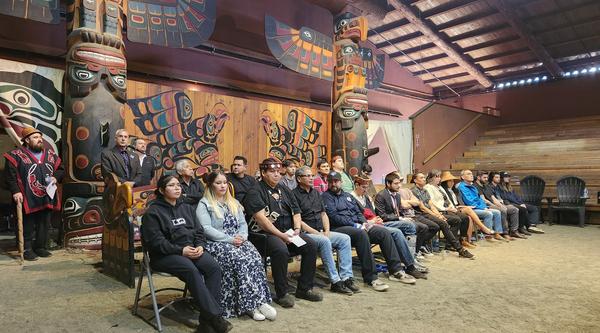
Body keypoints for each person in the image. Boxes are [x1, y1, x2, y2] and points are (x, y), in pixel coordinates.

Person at [141, 175, 232, 333]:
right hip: (164, 256)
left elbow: (199, 232)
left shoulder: (186, 207)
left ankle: (205, 323)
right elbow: (156, 243)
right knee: (190, 269)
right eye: (171, 185)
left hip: (191, 250)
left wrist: (200, 246)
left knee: (213, 267)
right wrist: (180, 250)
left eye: (178, 185)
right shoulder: (153, 213)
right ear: (162, 190)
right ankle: (215, 316)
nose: (177, 188)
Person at [196, 170, 276, 321]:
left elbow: (242, 223)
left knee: (255, 257)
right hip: (217, 243)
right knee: (238, 260)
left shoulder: (233, 202)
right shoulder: (204, 204)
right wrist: (230, 240)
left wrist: (243, 237)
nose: (222, 186)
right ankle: (248, 305)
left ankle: (260, 300)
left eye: (225, 183)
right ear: (211, 185)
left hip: (238, 240)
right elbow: (206, 229)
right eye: (218, 183)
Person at [242, 158, 321, 308]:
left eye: (278, 172)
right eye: (272, 172)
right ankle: (282, 293)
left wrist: (297, 230)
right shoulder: (255, 191)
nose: (276, 175)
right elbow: (261, 221)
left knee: (310, 245)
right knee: (280, 249)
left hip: (288, 232)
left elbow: (296, 212)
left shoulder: (284, 189)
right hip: (264, 235)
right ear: (263, 173)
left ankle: (304, 289)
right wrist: (281, 235)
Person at [322, 171, 418, 286]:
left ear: (341, 182)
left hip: (358, 226)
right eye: (331, 182)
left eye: (336, 181)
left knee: (383, 232)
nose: (333, 184)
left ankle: (396, 270)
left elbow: (358, 212)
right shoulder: (325, 197)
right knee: (361, 234)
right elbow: (333, 217)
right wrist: (356, 225)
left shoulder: (347, 196)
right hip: (339, 228)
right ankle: (371, 277)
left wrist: (364, 223)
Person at [292, 166, 359, 295]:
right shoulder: (293, 195)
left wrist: (327, 231)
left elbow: (323, 214)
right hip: (305, 234)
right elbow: (298, 220)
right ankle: (335, 281)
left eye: (312, 175)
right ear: (299, 178)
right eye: (308, 176)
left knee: (345, 239)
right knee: (324, 241)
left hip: (321, 231)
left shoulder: (316, 193)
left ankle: (346, 278)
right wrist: (318, 234)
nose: (312, 178)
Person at [3, 127, 64, 261]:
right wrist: (15, 191)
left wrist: (55, 177)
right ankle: (27, 249)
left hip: (46, 195)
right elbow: (10, 176)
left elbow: (61, 169)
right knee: (27, 223)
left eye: (40, 137)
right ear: (27, 140)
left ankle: (40, 247)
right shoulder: (15, 155)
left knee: (44, 223)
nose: (39, 139)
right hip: (26, 196)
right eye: (35, 137)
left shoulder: (50, 154)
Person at [352, 175, 428, 277]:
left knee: (412, 227)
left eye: (367, 187)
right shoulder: (352, 197)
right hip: (368, 225)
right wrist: (373, 220)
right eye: (363, 187)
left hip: (377, 222)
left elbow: (374, 213)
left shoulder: (366, 197)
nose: (366, 190)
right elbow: (357, 216)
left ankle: (410, 261)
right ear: (356, 185)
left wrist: (376, 219)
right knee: (398, 231)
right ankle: (409, 265)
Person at [411, 173, 474, 259]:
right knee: (441, 224)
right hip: (421, 214)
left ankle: (423, 244)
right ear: (415, 180)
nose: (424, 179)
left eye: (424, 178)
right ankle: (460, 249)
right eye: (421, 178)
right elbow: (423, 208)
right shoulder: (413, 191)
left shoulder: (424, 190)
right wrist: (437, 216)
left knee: (450, 221)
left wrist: (438, 214)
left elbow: (431, 205)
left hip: (430, 213)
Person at [439, 171, 494, 245]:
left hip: (457, 208)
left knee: (469, 217)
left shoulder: (453, 191)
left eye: (452, 181)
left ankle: (467, 240)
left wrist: (483, 207)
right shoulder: (444, 191)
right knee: (469, 210)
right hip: (450, 210)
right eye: (450, 181)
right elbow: (448, 204)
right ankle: (483, 228)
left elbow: (477, 199)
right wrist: (463, 206)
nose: (452, 183)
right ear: (445, 182)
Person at [424, 170, 473, 248]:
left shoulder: (440, 187)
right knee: (456, 219)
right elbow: (433, 202)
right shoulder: (428, 187)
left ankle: (462, 239)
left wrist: (452, 208)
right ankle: (451, 243)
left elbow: (447, 199)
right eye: (436, 177)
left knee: (465, 217)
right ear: (430, 178)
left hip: (448, 208)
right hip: (440, 210)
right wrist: (446, 208)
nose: (439, 178)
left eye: (439, 177)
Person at [457, 170, 504, 242]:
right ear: (463, 177)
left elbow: (480, 199)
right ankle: (488, 235)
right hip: (472, 209)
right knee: (488, 214)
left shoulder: (472, 187)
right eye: (469, 174)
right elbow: (469, 202)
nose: (471, 175)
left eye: (471, 174)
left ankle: (497, 233)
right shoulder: (462, 187)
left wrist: (484, 207)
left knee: (497, 212)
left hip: (479, 207)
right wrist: (482, 208)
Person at [485, 171, 526, 239]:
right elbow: (493, 199)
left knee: (514, 209)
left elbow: (501, 198)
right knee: (504, 209)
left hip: (501, 203)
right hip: (491, 204)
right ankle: (505, 232)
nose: (499, 179)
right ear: (492, 178)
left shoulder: (497, 187)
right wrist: (502, 205)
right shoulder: (489, 186)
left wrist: (503, 204)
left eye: (499, 177)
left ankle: (514, 231)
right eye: (496, 177)